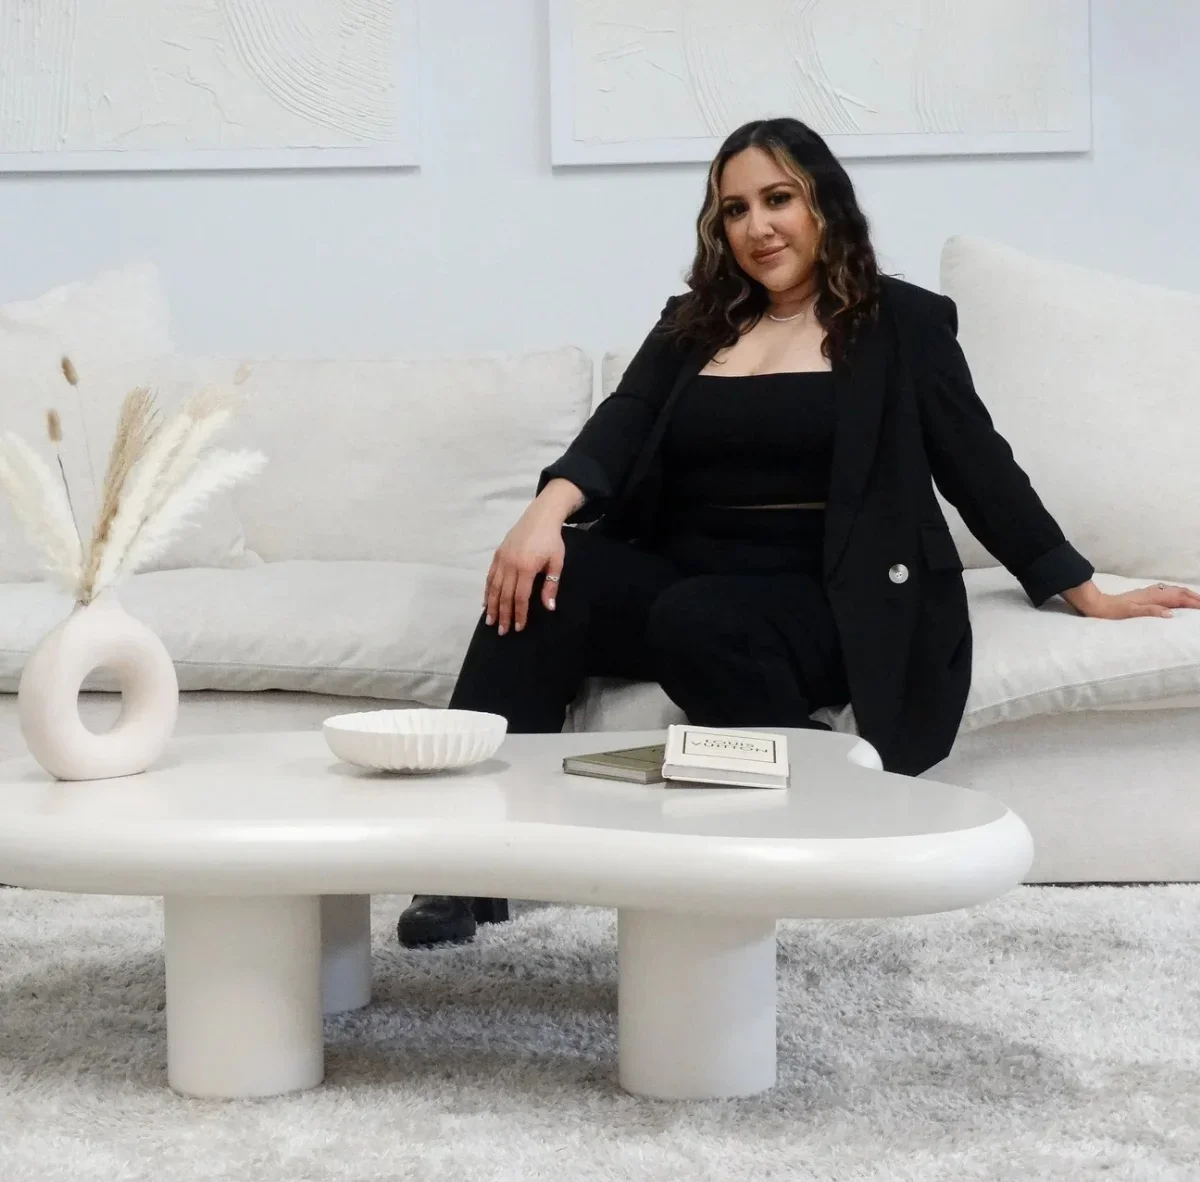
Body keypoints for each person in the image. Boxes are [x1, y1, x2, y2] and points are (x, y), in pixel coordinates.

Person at [397, 117, 1200, 950]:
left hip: (825, 591)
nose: (758, 227)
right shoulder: (693, 325)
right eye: (735, 210)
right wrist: (543, 513)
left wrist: (1083, 588)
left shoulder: (902, 324)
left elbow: (980, 467)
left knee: (696, 621)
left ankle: (829, 786)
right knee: (547, 582)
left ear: (823, 203)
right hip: (685, 570)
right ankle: (459, 869)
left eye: (777, 199)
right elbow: (623, 422)